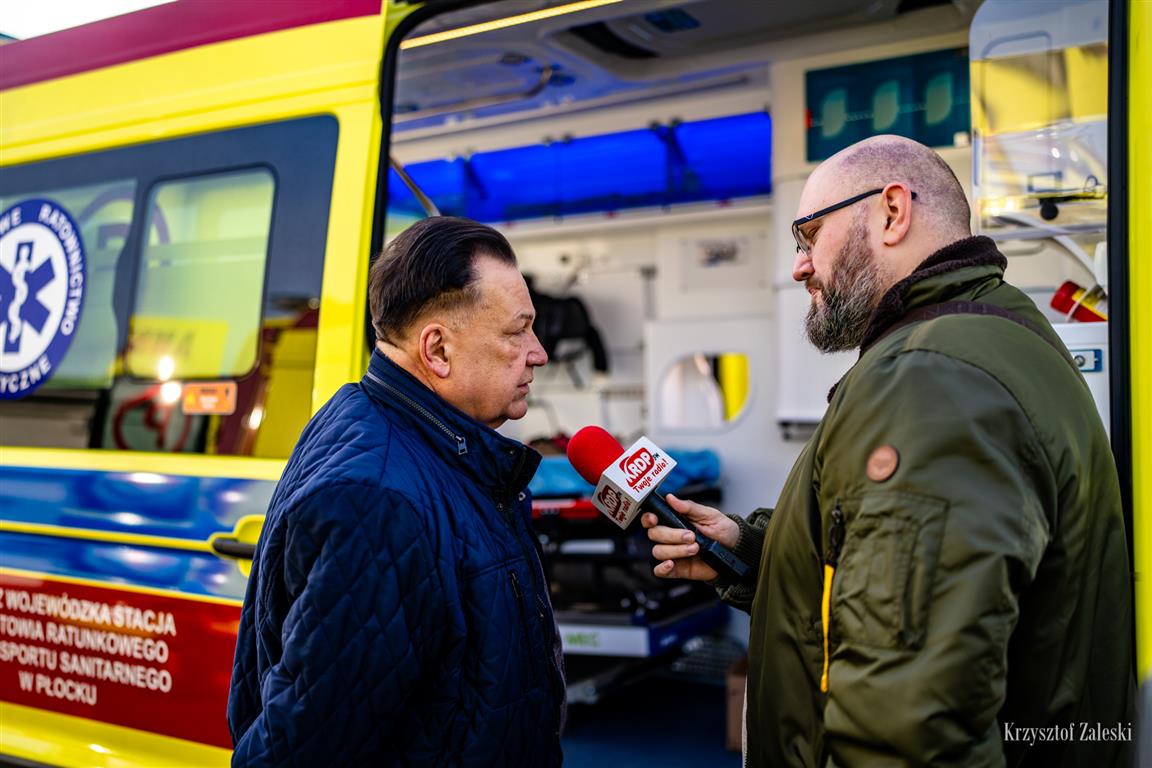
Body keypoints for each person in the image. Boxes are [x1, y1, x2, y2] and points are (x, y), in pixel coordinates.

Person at [643, 135, 1135, 767]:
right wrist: (752, 552)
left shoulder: (933, 378)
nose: (799, 267)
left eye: (809, 236)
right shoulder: (995, 335)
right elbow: (903, 584)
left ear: (892, 212)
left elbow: (911, 720)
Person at [228, 216, 564, 766]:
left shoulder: (399, 431)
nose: (538, 352)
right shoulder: (381, 503)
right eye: (516, 332)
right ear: (437, 350)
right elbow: (300, 750)